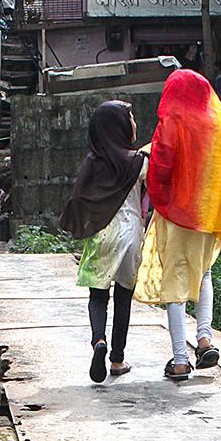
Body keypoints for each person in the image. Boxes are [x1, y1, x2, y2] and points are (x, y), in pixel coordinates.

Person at [133, 68, 221, 383]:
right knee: (204, 274)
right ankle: (204, 339)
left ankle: (181, 360)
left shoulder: (173, 123)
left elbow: (161, 164)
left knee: (175, 283)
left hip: (177, 214)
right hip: (208, 215)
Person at [60, 100, 148, 383]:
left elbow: (76, 197)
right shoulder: (138, 162)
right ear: (121, 126)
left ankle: (98, 340)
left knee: (98, 296)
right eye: (130, 118)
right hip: (132, 233)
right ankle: (117, 359)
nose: (134, 123)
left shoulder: (93, 161)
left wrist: (81, 221)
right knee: (123, 297)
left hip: (103, 233)